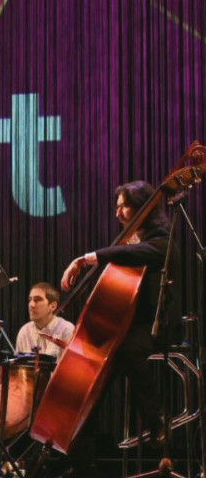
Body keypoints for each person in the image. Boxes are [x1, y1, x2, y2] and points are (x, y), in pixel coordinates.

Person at [61, 180, 181, 438]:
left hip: (157, 325)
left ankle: (157, 418)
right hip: (132, 326)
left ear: (142, 207)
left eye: (124, 206)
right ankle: (79, 450)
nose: (118, 213)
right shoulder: (129, 243)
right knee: (96, 375)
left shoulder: (160, 238)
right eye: (117, 207)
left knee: (127, 350)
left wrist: (89, 258)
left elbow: (143, 252)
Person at [15, 281, 74, 359]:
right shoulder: (24, 332)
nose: (31, 305)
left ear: (53, 306)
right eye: (30, 300)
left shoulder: (66, 329)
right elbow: (19, 365)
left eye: (37, 300)